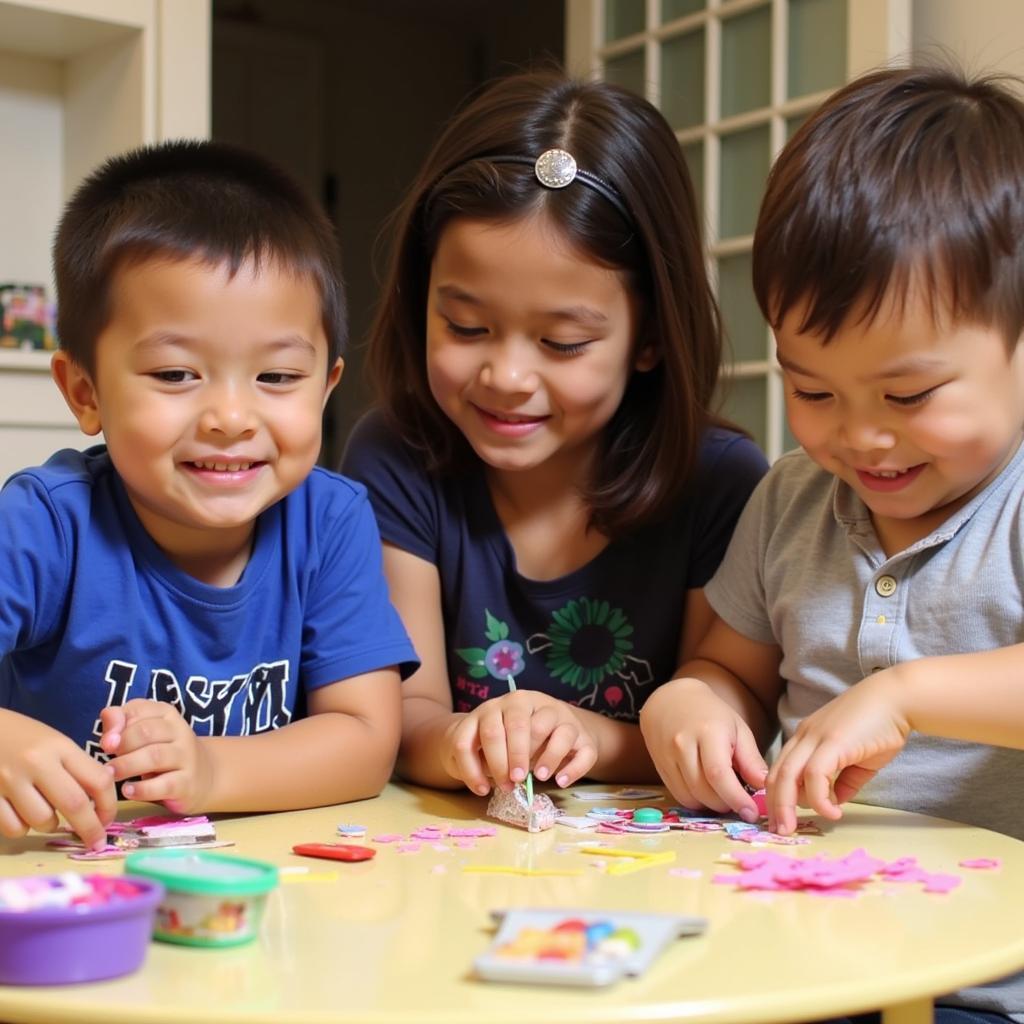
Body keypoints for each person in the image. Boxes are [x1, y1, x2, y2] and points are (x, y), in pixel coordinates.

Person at [639, 65, 1024, 1023]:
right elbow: (730, 665)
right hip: (794, 956)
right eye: (812, 391)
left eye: (908, 396)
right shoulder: (792, 500)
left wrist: (905, 694)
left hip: (986, 983)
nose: (861, 436)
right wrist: (691, 704)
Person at [341, 70, 767, 799]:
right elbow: (402, 714)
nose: (506, 375)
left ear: (651, 337)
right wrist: (459, 741)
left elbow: (730, 720)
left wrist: (588, 735)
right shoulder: (396, 457)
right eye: (466, 327)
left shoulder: (719, 483)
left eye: (563, 342)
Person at [0, 140, 418, 852]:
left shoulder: (330, 520)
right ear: (85, 392)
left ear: (327, 387)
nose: (230, 417)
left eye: (278, 378)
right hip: (57, 879)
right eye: (174, 374)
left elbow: (366, 741)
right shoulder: (46, 521)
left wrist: (211, 768)